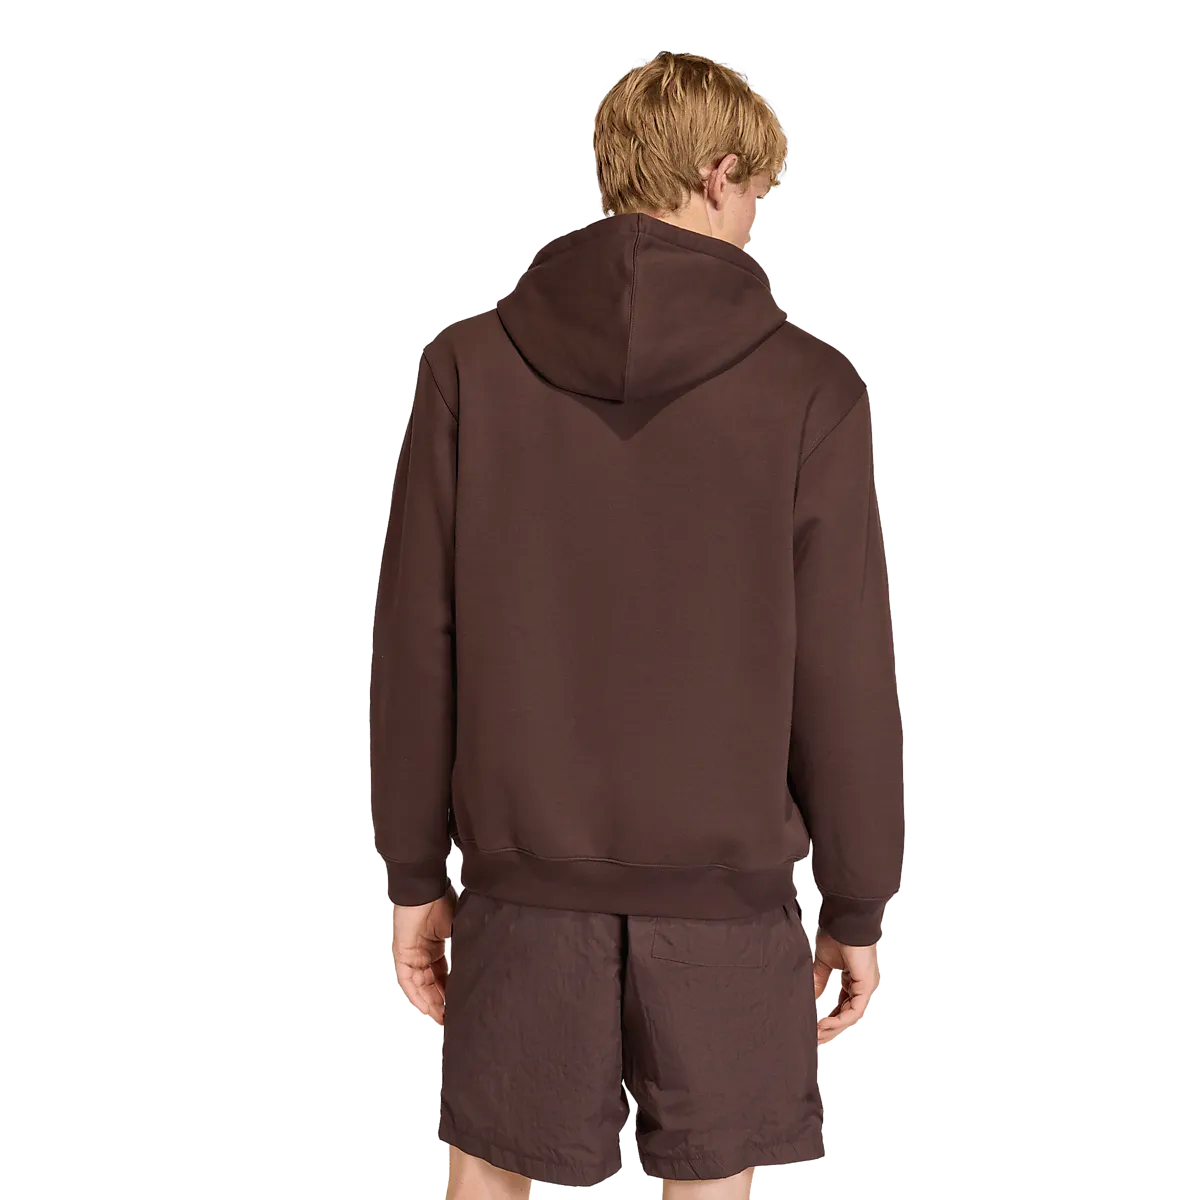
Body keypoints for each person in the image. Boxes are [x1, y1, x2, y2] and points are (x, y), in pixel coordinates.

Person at [371, 50, 905, 1199]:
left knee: (488, 1180)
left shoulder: (467, 368)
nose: (756, 221)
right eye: (756, 193)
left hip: (522, 898)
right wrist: (857, 901)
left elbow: (415, 644)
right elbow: (846, 671)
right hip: (726, 906)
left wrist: (415, 875)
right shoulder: (811, 390)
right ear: (716, 176)